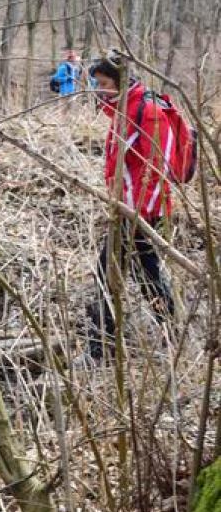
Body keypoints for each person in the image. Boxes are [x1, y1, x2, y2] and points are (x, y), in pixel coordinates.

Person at [85, 56, 175, 361]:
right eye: (97, 84)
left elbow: (155, 169)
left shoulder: (146, 113)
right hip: (126, 210)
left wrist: (135, 214)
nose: (99, 91)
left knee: (112, 274)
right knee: (138, 275)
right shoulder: (123, 112)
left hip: (140, 214)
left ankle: (102, 350)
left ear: (121, 83)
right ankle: (167, 338)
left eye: (105, 84)